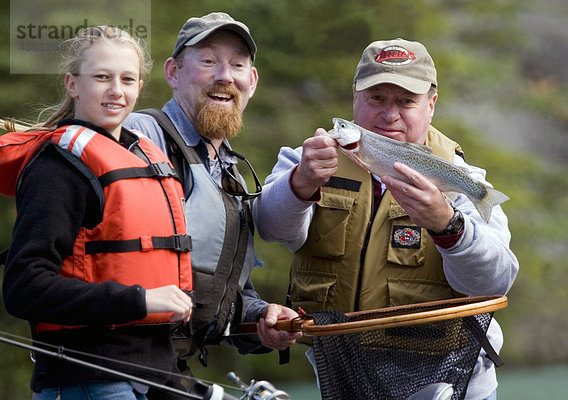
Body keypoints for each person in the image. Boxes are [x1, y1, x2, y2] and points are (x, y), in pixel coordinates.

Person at [253, 38, 519, 400]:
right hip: (346, 379)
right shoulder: (310, 157)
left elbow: (496, 281)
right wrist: (299, 184)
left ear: (431, 105)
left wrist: (449, 226)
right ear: (355, 99)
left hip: (451, 384)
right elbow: (270, 228)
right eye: (376, 98)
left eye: (405, 101)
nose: (389, 114)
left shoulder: (461, 177)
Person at [1, 26, 193, 399]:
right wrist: (139, 299)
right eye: (101, 77)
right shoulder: (58, 168)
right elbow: (24, 287)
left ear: (140, 86)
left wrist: (253, 318)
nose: (116, 91)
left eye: (127, 79)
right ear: (73, 84)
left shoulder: (144, 157)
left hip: (156, 373)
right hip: (89, 379)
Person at [123, 12, 301, 373]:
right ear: (173, 72)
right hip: (121, 363)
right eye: (207, 61)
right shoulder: (142, 135)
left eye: (237, 64)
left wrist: (261, 315)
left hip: (171, 366)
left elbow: (221, 287)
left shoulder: (228, 170)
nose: (225, 76)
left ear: (251, 81)